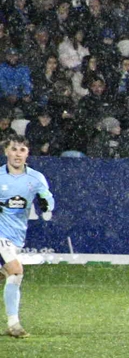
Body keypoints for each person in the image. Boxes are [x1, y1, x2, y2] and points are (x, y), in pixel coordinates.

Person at [0, 135, 54, 339]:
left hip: (16, 238)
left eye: (22, 150)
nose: (17, 154)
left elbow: (49, 202)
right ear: (6, 151)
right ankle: (14, 324)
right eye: (14, 149)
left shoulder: (35, 178)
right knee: (16, 271)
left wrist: (45, 203)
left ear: (27, 153)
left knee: (5, 275)